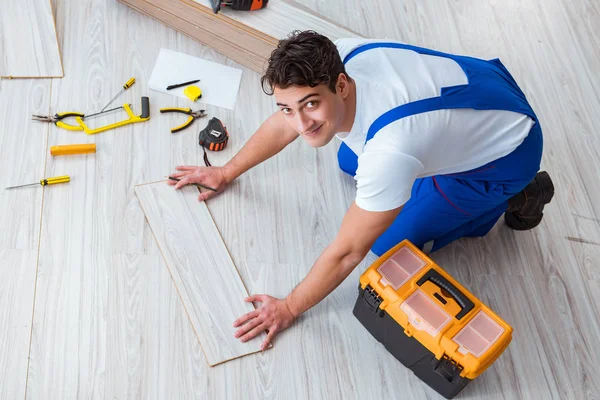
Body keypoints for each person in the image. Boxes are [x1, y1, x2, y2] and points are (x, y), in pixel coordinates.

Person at [168, 31, 555, 351]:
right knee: (347, 160)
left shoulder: (389, 151)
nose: (300, 123)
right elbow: (285, 123)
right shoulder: (341, 54)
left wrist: (287, 307)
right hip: (476, 94)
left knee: (386, 241)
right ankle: (426, 170)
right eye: (289, 107)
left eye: (310, 105)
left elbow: (347, 252)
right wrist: (225, 172)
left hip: (506, 151)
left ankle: (521, 193)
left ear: (341, 84)